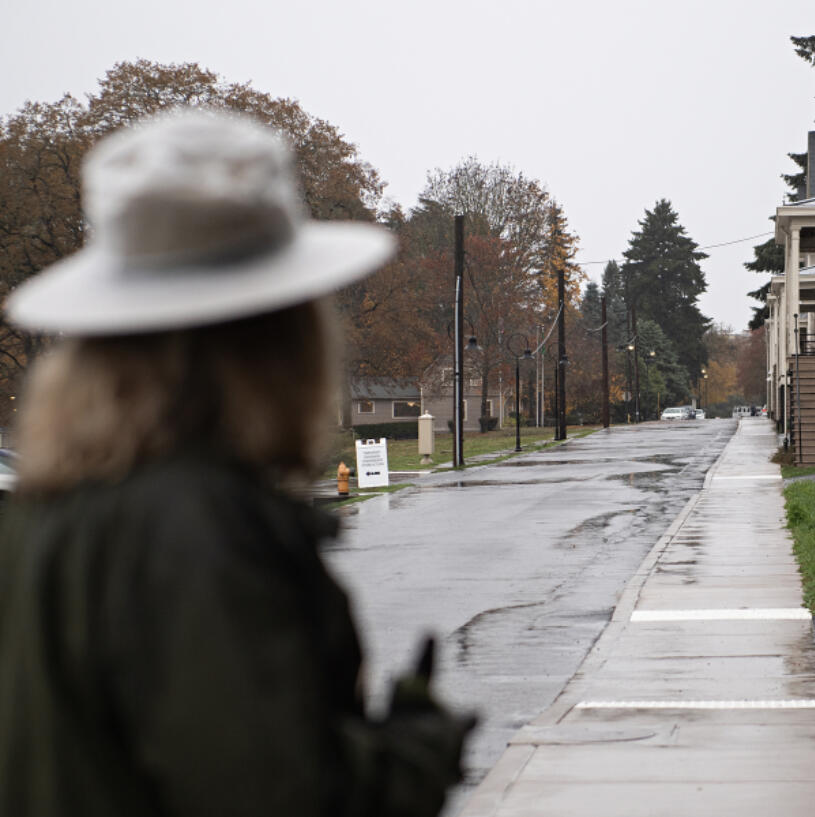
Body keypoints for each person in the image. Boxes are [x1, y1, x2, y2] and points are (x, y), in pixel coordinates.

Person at [0, 109, 474, 816]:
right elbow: (276, 792)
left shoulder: (41, 518)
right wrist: (411, 752)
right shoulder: (199, 532)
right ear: (281, 337)